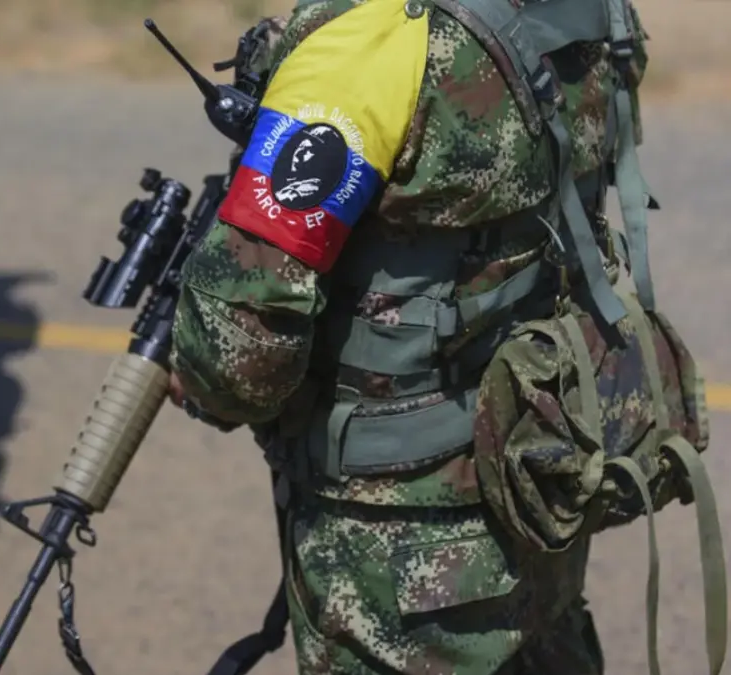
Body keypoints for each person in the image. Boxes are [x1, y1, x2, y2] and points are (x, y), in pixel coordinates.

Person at [166, 0, 661, 672]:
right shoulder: (585, 10)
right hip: (539, 470)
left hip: (397, 546)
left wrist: (194, 371)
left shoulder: (368, 46)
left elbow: (239, 352)